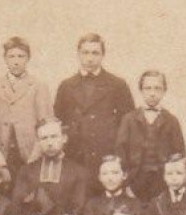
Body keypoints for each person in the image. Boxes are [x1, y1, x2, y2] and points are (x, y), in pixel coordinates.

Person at [0, 36, 56, 177]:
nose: (16, 61)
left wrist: (33, 161)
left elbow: (46, 126)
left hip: (30, 157)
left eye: (21, 56)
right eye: (11, 56)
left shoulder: (38, 86)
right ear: (5, 59)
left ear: (28, 58)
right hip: (2, 156)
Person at [54, 33, 135, 165]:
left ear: (103, 55)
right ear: (78, 54)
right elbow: (58, 122)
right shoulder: (66, 86)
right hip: (74, 156)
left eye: (95, 53)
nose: (90, 58)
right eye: (85, 53)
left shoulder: (117, 85)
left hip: (106, 157)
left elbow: (128, 124)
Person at [116, 70, 186, 202]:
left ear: (164, 91)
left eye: (157, 88)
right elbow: (120, 152)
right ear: (141, 91)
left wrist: (173, 181)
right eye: (148, 88)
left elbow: (179, 153)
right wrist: (126, 184)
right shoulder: (129, 119)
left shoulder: (171, 120)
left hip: (162, 181)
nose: (152, 93)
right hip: (135, 179)